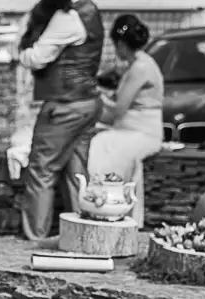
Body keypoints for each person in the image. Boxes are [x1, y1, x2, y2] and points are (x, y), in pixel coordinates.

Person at [18, 0, 104, 240]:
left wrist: (24, 43)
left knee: (41, 170)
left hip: (65, 105)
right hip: (88, 102)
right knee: (76, 172)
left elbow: (35, 58)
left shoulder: (67, 17)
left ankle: (36, 236)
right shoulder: (90, 10)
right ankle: (84, 233)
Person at [87, 14, 163, 227]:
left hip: (140, 133)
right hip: (130, 129)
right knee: (102, 143)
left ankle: (107, 207)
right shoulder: (138, 64)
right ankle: (104, 207)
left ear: (120, 44)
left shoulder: (140, 68)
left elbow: (119, 109)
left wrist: (96, 97)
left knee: (101, 147)